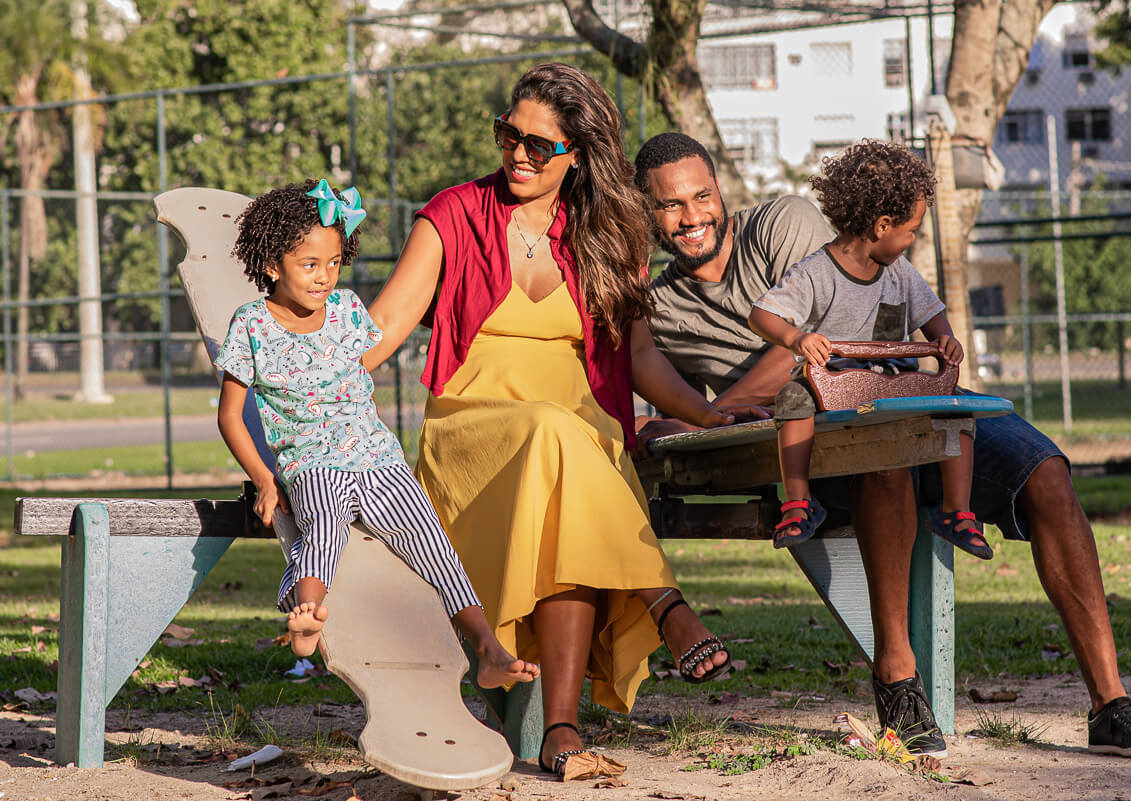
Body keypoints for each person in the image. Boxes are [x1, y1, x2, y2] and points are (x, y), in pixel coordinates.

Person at [634, 131, 1131, 758]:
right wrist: (680, 421)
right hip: (818, 440)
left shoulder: (781, 224)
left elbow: (821, 336)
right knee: (882, 461)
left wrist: (716, 407)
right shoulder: (659, 306)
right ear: (646, 210)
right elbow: (652, 401)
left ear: (719, 191)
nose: (691, 216)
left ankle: (1111, 703)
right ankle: (898, 679)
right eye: (669, 205)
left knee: (1047, 472)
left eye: (701, 196)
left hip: (913, 394)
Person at [364, 65, 753, 780]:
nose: (517, 153)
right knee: (555, 435)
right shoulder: (453, 213)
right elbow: (383, 326)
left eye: (539, 146)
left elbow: (638, 353)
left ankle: (563, 727)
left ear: (578, 153)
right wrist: (303, 393)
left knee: (569, 456)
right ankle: (664, 600)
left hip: (579, 429)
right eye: (508, 135)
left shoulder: (610, 229)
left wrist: (705, 411)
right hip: (474, 427)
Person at [215, 178, 539, 692]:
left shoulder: (346, 311)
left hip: (379, 457)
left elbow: (355, 371)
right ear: (273, 265)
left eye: (334, 263)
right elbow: (231, 415)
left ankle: (487, 649)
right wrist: (264, 478)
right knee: (323, 526)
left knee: (432, 541)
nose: (324, 277)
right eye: (309, 265)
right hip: (310, 461)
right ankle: (307, 612)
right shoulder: (251, 324)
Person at [748, 140, 991, 559]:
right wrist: (796, 339)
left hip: (892, 379)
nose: (913, 239)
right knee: (792, 397)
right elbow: (761, 316)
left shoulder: (900, 272)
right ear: (881, 225)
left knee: (957, 405)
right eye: (911, 230)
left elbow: (933, 317)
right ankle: (798, 502)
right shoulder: (816, 272)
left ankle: (957, 511)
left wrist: (946, 338)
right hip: (835, 380)